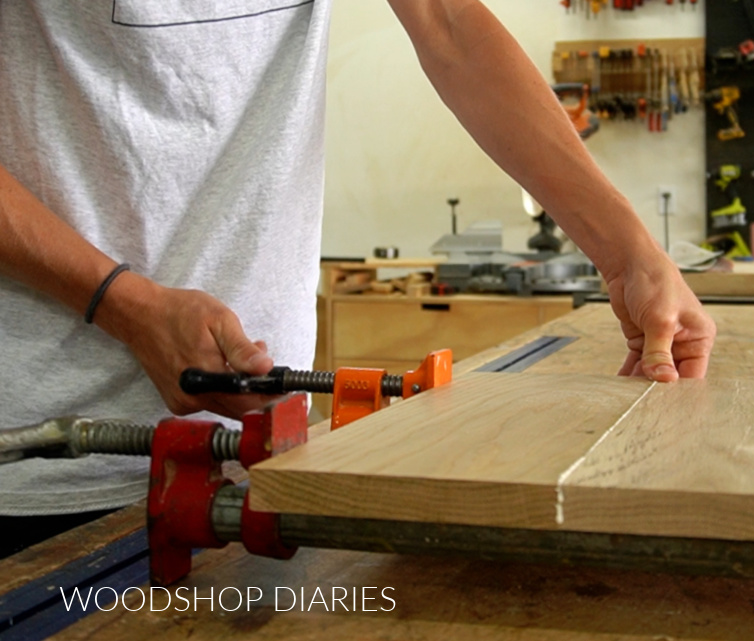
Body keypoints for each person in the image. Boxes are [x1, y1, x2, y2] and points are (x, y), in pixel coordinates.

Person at [0, 0, 716, 528]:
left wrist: (629, 253)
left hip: (261, 454)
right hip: (46, 455)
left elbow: (448, 24)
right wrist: (125, 306)